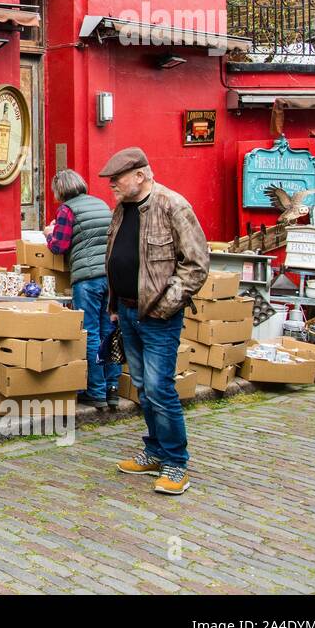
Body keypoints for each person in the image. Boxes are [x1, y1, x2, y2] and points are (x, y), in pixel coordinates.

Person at [100, 147, 209, 496]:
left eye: (117, 179)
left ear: (140, 176)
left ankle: (176, 462)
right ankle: (155, 451)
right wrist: (115, 303)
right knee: (145, 389)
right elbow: (115, 256)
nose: (112, 185)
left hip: (158, 316)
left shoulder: (173, 206)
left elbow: (196, 263)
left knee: (160, 389)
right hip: (129, 312)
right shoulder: (122, 209)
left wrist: (166, 306)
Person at [45, 169, 117, 409]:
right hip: (111, 276)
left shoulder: (67, 209)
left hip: (87, 279)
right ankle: (112, 388)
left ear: (60, 189)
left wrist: (48, 234)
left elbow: (59, 246)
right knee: (110, 332)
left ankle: (95, 392)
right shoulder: (100, 204)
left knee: (90, 333)